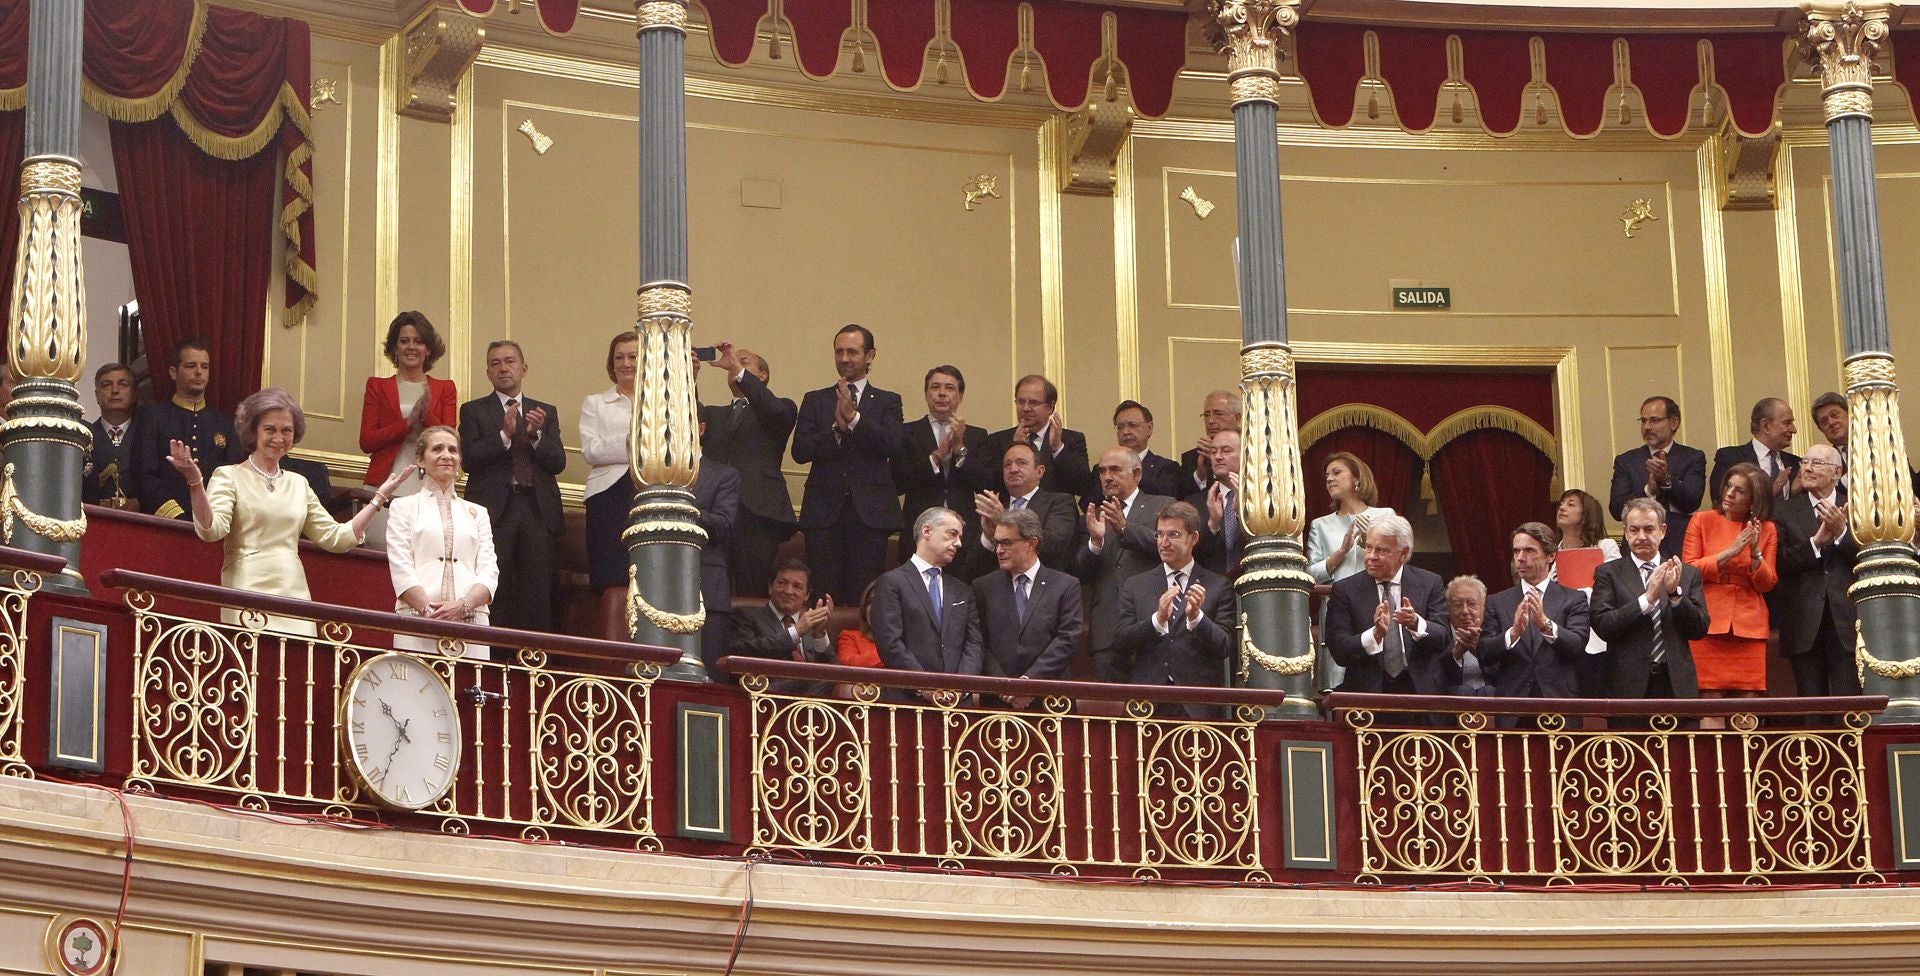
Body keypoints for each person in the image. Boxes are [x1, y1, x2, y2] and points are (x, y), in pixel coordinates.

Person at [174, 389, 411, 636]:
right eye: (270, 429)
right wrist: (195, 482)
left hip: (293, 591)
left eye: (286, 430)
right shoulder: (229, 476)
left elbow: (336, 538)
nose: (279, 437)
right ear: (253, 431)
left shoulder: (299, 483)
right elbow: (211, 530)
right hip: (247, 585)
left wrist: (378, 498)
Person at [458, 340, 566, 634]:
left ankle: (536, 659)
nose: (503, 368)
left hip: (537, 510)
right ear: (488, 373)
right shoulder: (473, 411)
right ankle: (492, 656)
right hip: (493, 512)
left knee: (538, 589)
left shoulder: (546, 412)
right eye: (495, 363)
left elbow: (558, 463)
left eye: (509, 361)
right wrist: (505, 434)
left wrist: (535, 437)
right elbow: (469, 460)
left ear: (523, 368)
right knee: (495, 585)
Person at [792, 324, 903, 605]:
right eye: (839, 351)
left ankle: (860, 650)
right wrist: (836, 430)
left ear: (870, 355)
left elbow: (892, 444)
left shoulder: (888, 401)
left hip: (870, 516)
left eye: (852, 351)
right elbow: (800, 451)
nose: (844, 358)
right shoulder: (815, 399)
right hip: (823, 514)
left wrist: (854, 419)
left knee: (864, 596)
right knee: (823, 595)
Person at [1112, 501, 1237, 711]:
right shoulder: (1135, 585)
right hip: (1146, 703)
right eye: (1160, 534)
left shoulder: (1218, 585)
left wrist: (1197, 618)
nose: (1164, 542)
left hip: (1197, 704)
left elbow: (1224, 646)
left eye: (1174, 535)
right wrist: (1157, 620)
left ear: (1194, 538)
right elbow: (1121, 643)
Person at [386, 426, 498, 659]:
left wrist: (463, 605)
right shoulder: (404, 507)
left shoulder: (478, 512)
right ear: (420, 459)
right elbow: (401, 569)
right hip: (418, 621)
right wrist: (430, 613)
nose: (446, 455)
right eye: (437, 449)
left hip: (471, 621)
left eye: (453, 450)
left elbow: (489, 571)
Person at [699, 341, 799, 598]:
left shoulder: (783, 407)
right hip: (715, 510)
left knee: (752, 586)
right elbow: (685, 417)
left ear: (762, 375)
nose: (734, 365)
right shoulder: (713, 415)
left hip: (758, 511)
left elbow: (773, 410)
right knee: (709, 581)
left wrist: (739, 373)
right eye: (734, 363)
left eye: (744, 362)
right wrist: (690, 374)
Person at [1683, 462, 1778, 725]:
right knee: (1709, 698)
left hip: (1749, 623)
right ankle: (1711, 765)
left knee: (1748, 700)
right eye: (1728, 486)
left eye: (1739, 491)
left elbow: (1767, 583)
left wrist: (1755, 551)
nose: (1729, 494)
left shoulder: (1766, 528)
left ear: (1753, 501)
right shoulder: (1701, 520)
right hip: (1708, 620)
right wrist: (1732, 551)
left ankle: (1746, 765)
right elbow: (1688, 570)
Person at [1591, 497, 1707, 704]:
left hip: (1675, 684)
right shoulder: (1608, 573)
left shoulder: (1686, 574)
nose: (1641, 537)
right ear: (1625, 532)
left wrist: (1674, 595)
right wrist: (1646, 600)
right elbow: (1603, 625)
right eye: (1634, 530)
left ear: (1662, 531)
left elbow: (1699, 629)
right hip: (1627, 687)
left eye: (1649, 529)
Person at [359, 312, 459, 547]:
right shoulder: (377, 386)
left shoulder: (445, 388)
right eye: (404, 341)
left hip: (430, 480)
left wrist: (425, 417)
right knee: (382, 550)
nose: (411, 347)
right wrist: (406, 424)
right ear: (394, 347)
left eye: (418, 341)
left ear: (428, 349)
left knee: (426, 552)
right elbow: (367, 441)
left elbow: (450, 440)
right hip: (386, 479)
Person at [1325, 514, 1451, 694]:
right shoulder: (1345, 590)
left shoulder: (1430, 583)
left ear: (1404, 553)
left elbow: (1443, 638)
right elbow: (1339, 650)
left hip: (1420, 692)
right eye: (1368, 548)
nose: (1371, 556)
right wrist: (1374, 635)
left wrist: (1416, 623)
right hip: (1367, 695)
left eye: (1382, 551)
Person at [1075, 447, 1171, 681]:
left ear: (1136, 474)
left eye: (1115, 470)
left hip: (1151, 621)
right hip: (1107, 630)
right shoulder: (1093, 514)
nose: (1107, 477)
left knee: (1151, 708)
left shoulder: (1162, 506)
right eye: (1102, 471)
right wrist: (1095, 542)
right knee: (1111, 711)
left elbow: (1170, 548)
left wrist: (1125, 529)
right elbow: (1081, 571)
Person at [1772, 443, 1859, 698]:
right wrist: (1817, 542)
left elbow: (1866, 559)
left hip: (1847, 618)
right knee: (1811, 703)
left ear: (1837, 472)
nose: (1807, 468)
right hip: (1802, 619)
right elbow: (1779, 562)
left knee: (1849, 702)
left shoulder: (1855, 508)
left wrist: (1841, 531)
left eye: (1817, 463)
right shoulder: (1784, 511)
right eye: (1804, 462)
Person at [1306, 452, 1398, 691]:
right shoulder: (1321, 524)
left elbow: (1401, 560)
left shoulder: (1385, 516)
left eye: (1336, 473)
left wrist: (1370, 542)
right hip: (1340, 608)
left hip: (1379, 602)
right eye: (1326, 475)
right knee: (1338, 676)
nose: (1329, 479)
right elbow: (1310, 574)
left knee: (1380, 669)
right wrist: (1340, 553)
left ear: (1357, 478)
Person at [1475, 523, 1592, 699]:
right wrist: (1513, 634)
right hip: (1513, 704)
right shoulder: (1496, 601)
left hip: (1558, 701)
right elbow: (1484, 653)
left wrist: (1546, 625)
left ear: (1551, 556)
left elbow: (1577, 645)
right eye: (1516, 551)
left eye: (1529, 551)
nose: (1520, 558)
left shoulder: (1573, 599)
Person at [870, 507, 982, 685]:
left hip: (957, 700)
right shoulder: (892, 582)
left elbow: (974, 643)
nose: (959, 543)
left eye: (960, 537)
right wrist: (925, 685)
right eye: (952, 534)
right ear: (927, 531)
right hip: (909, 697)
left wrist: (961, 685)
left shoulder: (962, 590)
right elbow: (890, 643)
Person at [895, 365, 988, 579]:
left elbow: (983, 482)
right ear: (926, 394)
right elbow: (900, 481)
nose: (942, 393)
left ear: (960, 395)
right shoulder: (907, 432)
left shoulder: (977, 435)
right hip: (919, 533)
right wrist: (938, 455)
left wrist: (960, 449)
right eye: (935, 387)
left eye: (949, 388)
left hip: (964, 535)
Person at [975, 508, 1083, 689]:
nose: (999, 550)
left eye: (1006, 543)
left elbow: (1067, 639)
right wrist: (1004, 685)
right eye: (997, 543)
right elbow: (979, 642)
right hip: (998, 697)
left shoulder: (1065, 586)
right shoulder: (984, 587)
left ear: (1031, 543)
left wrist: (1029, 683)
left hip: (1050, 696)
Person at [137, 338, 237, 520]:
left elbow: (232, 478)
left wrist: (213, 516)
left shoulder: (225, 424)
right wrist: (176, 515)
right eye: (191, 366)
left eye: (205, 367)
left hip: (213, 523)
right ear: (173, 372)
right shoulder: (153, 417)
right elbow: (146, 476)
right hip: (166, 522)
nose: (199, 372)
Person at [1607, 396, 1705, 560]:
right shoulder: (1626, 460)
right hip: (1637, 548)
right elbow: (1617, 509)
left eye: (1654, 420)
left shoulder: (1692, 457)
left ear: (1674, 423)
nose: (1647, 427)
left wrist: (1666, 480)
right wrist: (1649, 489)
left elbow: (1692, 501)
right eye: (1643, 421)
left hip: (1679, 544)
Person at [580, 331, 639, 591]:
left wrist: (616, 444)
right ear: (611, 364)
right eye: (619, 357)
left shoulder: (661, 402)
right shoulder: (595, 403)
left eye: (633, 356)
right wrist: (634, 440)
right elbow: (591, 451)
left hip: (648, 488)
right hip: (607, 492)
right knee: (611, 571)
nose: (626, 363)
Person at [728, 559, 838, 694]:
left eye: (797, 586)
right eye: (782, 583)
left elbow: (833, 674)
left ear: (807, 595)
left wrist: (819, 634)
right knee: (810, 674)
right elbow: (743, 653)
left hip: (811, 706)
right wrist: (796, 632)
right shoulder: (746, 615)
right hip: (763, 695)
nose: (788, 591)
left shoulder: (811, 625)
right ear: (770, 587)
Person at [982, 375, 1092, 500]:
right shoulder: (999, 440)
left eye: (1033, 402)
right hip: (1012, 516)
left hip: (1057, 516)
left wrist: (1057, 448)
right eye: (1021, 402)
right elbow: (989, 486)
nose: (1026, 408)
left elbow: (1083, 486)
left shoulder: (1071, 439)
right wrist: (1015, 448)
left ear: (1050, 407)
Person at [972, 441, 1079, 569]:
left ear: (1039, 471)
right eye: (1007, 465)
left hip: (1045, 584)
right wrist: (989, 537)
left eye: (1021, 463)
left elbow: (1053, 545)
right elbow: (973, 568)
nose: (1013, 469)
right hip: (1001, 585)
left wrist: (1005, 522)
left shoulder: (1059, 502)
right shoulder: (994, 510)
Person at [1554, 487, 1619, 695]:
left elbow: (1616, 588)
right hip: (1562, 636)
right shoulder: (1550, 554)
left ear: (1586, 514)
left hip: (1596, 637)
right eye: (1562, 503)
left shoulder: (1605, 547)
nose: (1562, 507)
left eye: (1571, 504)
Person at [692, 449, 742, 677]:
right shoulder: (651, 470)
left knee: (710, 675)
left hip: (708, 587)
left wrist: (686, 509)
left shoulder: (724, 474)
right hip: (657, 584)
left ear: (699, 428)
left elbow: (724, 524)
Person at [1711, 397, 1799, 502]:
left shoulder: (1796, 463)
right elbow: (1721, 502)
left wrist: (1794, 492)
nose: (1794, 430)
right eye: (1787, 423)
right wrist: (1770, 493)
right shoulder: (1730, 458)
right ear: (1766, 426)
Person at [84, 363, 143, 509]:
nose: (115, 391)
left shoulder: (147, 434)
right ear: (97, 396)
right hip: (96, 523)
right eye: (106, 385)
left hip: (142, 522)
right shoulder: (84, 436)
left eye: (123, 384)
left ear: (135, 394)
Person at [1188, 430, 1244, 577]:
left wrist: (1241, 514)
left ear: (1246, 454)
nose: (1218, 457)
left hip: (1254, 585)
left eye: (1226, 451)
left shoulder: (1261, 497)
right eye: (1213, 452)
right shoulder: (1194, 503)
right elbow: (1186, 553)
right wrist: (1212, 525)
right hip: (1211, 590)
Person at [1109, 400, 1184, 501]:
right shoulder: (1105, 468)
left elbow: (1168, 498)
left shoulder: (1166, 467)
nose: (1125, 432)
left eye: (1132, 425)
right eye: (1120, 427)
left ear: (1149, 428)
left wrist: (1130, 475)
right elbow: (1087, 503)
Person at [1434, 576, 1494, 696]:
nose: (1465, 611)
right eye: (1457, 605)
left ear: (1483, 606)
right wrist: (1456, 654)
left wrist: (1479, 650)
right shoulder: (1438, 635)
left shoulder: (1494, 632)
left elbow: (1505, 675)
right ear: (1448, 608)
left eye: (1471, 604)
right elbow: (1435, 678)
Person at [1180, 390, 1241, 492]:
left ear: (1237, 418)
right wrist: (1200, 475)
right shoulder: (1192, 458)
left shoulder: (1254, 451)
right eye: (1206, 415)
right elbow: (1184, 499)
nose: (1211, 421)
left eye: (1218, 414)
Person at [837, 580, 882, 669]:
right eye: (870, 602)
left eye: (881, 602)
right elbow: (848, 665)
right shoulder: (850, 637)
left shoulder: (908, 642)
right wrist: (895, 655)